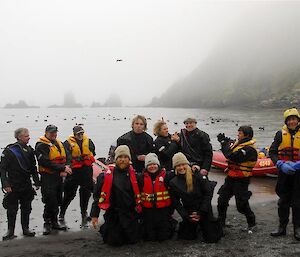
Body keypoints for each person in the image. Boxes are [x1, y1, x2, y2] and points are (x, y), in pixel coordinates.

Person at [90, 145, 142, 246]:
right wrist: (94, 215)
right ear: (116, 159)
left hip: (129, 213)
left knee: (132, 240)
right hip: (113, 213)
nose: (122, 160)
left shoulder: (136, 176)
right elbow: (97, 197)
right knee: (114, 242)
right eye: (120, 157)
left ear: (129, 159)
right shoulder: (104, 177)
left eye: (125, 157)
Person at [169, 152, 222, 243]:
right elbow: (176, 202)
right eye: (178, 166)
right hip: (189, 210)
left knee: (212, 239)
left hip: (204, 208)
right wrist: (186, 215)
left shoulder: (198, 176)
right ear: (175, 168)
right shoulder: (173, 182)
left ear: (187, 164)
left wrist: (201, 212)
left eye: (183, 164)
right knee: (187, 237)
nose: (181, 168)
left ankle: (212, 223)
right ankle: (192, 226)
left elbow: (208, 194)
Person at [0, 128, 40, 240]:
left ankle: (25, 229)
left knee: (26, 207)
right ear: (19, 137)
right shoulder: (9, 150)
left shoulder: (30, 150)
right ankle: (10, 231)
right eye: (26, 136)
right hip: (13, 184)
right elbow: (2, 169)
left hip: (26, 183)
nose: (29, 137)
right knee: (12, 209)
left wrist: (37, 182)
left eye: (28, 135)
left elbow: (33, 168)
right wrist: (5, 184)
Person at [217, 126, 257, 233]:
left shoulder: (249, 149)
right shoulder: (238, 144)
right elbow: (231, 155)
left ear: (247, 135)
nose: (238, 134)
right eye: (238, 132)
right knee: (222, 199)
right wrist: (225, 142)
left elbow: (232, 156)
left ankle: (251, 222)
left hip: (242, 180)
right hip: (231, 177)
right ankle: (221, 222)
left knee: (241, 205)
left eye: (240, 132)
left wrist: (223, 143)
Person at [269, 108, 300, 240]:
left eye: (294, 119)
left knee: (298, 202)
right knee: (283, 201)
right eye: (289, 120)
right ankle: (282, 228)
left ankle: (297, 229)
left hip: (299, 173)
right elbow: (272, 152)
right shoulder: (279, 134)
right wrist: (280, 164)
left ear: (298, 120)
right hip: (284, 172)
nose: (292, 122)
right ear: (286, 122)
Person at [35, 124, 72, 235]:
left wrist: (67, 167)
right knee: (50, 200)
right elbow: (45, 162)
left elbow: (68, 156)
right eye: (51, 133)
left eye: (55, 132)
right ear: (46, 133)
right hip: (48, 177)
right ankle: (47, 223)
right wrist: (62, 167)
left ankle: (55, 222)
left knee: (57, 199)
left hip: (59, 176)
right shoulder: (41, 145)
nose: (54, 134)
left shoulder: (59, 143)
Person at [59, 126, 96, 227]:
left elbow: (93, 152)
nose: (80, 135)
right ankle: (61, 213)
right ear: (74, 134)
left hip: (86, 170)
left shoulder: (89, 141)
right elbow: (66, 157)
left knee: (86, 193)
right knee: (69, 194)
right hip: (74, 171)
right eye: (78, 134)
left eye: (81, 133)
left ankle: (84, 213)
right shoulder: (67, 143)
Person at [138, 153, 173, 241]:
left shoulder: (166, 176)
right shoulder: (140, 178)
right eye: (149, 165)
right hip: (148, 210)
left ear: (158, 165)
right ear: (146, 166)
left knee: (163, 236)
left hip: (163, 209)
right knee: (149, 237)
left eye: (154, 164)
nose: (152, 166)